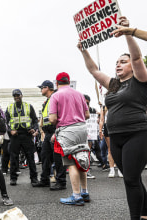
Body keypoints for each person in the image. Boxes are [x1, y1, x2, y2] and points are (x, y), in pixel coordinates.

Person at [79, 16, 147, 219]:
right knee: (131, 178)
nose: (118, 65)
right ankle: (145, 212)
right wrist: (83, 50)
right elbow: (93, 70)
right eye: (117, 62)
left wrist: (127, 32)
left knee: (131, 179)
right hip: (115, 136)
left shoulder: (140, 79)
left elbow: (136, 58)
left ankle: (136, 217)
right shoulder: (114, 85)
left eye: (123, 62)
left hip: (138, 133)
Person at [49, 72, 90, 206]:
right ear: (69, 81)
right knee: (82, 159)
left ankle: (76, 196)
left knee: (71, 163)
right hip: (82, 128)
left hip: (67, 130)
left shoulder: (55, 95)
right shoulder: (79, 94)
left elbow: (53, 119)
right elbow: (87, 115)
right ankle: (84, 192)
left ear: (57, 83)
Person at [33, 80, 67, 191]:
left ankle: (61, 182)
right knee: (45, 156)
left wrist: (57, 131)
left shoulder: (55, 97)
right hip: (48, 132)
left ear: (47, 88)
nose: (41, 90)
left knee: (57, 157)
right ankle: (44, 180)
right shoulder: (48, 101)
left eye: (41, 88)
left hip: (55, 130)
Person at [5, 89, 39, 186]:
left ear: (21, 95)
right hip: (15, 136)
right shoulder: (10, 107)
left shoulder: (28, 106)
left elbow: (35, 120)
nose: (16, 97)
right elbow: (5, 122)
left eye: (18, 95)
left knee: (30, 157)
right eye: (15, 96)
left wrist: (34, 129)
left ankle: (34, 178)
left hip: (27, 134)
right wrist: (10, 131)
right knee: (13, 158)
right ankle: (13, 178)